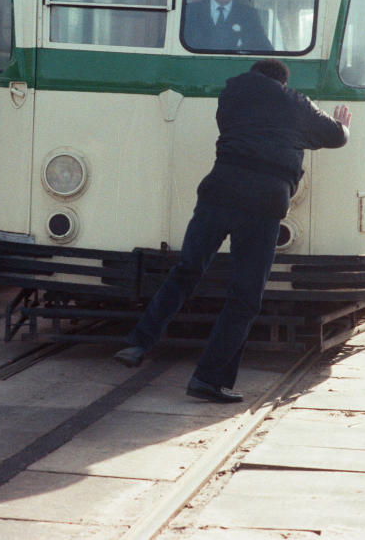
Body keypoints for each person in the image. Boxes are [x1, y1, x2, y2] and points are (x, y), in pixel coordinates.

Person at [114, 59, 351, 402]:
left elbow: (254, 131)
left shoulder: (230, 97)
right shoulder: (293, 103)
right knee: (244, 298)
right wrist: (343, 127)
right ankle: (208, 380)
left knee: (187, 270)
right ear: (282, 83)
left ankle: (138, 343)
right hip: (263, 204)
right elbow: (332, 136)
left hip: (219, 191)